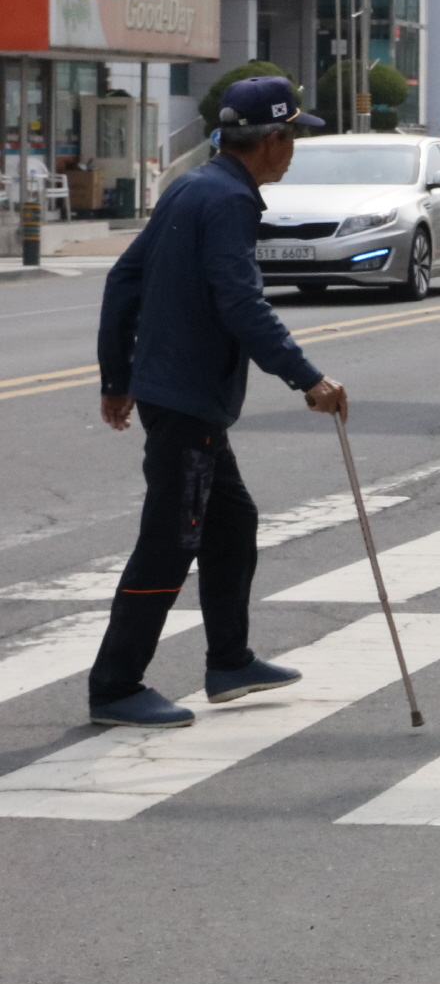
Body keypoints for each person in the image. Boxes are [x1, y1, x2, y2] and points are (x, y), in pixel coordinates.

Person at [88, 75, 349, 728]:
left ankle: (229, 661)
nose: (295, 152)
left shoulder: (194, 186)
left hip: (174, 395)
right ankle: (116, 684)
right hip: (187, 401)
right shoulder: (228, 201)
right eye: (294, 139)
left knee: (231, 524)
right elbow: (241, 303)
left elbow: (124, 278)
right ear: (273, 141)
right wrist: (307, 378)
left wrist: (117, 377)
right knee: (169, 542)